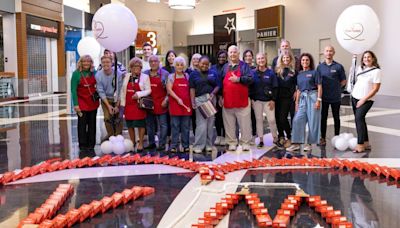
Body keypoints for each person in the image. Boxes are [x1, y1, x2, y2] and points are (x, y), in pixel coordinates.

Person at [219, 45, 253, 151]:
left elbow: (251, 79)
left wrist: (238, 79)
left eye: (235, 52)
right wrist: (220, 96)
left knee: (245, 123)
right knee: (229, 124)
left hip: (242, 100)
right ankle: (232, 142)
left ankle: (245, 142)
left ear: (238, 54)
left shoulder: (244, 66)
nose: (232, 54)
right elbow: (220, 83)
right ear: (228, 54)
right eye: (231, 52)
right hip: (228, 100)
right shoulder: (225, 67)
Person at [287, 53, 322, 152]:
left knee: (312, 122)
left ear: (310, 61)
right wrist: (297, 103)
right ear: (300, 62)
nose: (305, 62)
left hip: (313, 97)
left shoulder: (314, 72)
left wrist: (318, 100)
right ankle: (296, 144)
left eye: (307, 60)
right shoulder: (299, 74)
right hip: (302, 98)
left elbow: (319, 86)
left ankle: (309, 144)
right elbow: (298, 89)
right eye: (303, 60)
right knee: (297, 120)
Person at [347, 51, 381, 152]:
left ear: (373, 58)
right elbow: (353, 78)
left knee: (359, 119)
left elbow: (375, 89)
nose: (366, 59)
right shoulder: (360, 69)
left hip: (366, 99)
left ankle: (360, 144)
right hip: (354, 97)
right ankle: (366, 143)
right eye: (364, 57)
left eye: (369, 57)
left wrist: (363, 99)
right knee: (360, 120)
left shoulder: (376, 71)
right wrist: (354, 58)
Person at [316, 45, 346, 146]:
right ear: (324, 53)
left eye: (330, 51)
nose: (328, 53)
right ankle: (322, 138)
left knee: (336, 118)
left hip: (335, 98)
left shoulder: (338, 66)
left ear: (333, 53)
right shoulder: (320, 67)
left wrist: (337, 88)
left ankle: (337, 137)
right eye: (327, 51)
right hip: (324, 97)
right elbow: (317, 82)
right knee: (323, 118)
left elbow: (343, 81)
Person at [120, 57, 151, 152]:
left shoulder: (145, 77)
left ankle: (140, 143)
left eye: (138, 66)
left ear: (141, 67)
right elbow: (123, 90)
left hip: (138, 104)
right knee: (130, 125)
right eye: (134, 66)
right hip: (128, 104)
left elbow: (149, 90)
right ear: (131, 67)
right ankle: (132, 142)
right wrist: (122, 104)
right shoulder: (127, 76)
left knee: (140, 124)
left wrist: (138, 94)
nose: (136, 68)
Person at [70, 55, 99, 157]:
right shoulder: (76, 74)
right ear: (80, 63)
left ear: (91, 63)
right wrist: (76, 105)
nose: (86, 63)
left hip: (93, 102)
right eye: (84, 62)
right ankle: (82, 145)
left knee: (92, 124)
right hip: (81, 102)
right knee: (82, 125)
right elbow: (73, 90)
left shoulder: (94, 73)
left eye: (88, 62)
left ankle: (91, 145)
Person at [189, 56, 219, 153]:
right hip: (199, 100)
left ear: (209, 64)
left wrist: (213, 93)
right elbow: (192, 88)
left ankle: (209, 145)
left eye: (206, 64)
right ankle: (199, 146)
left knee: (210, 124)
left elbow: (218, 85)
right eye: (203, 63)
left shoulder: (213, 73)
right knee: (201, 124)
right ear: (198, 63)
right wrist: (192, 101)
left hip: (210, 100)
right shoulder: (193, 74)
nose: (204, 66)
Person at [249, 52, 279, 148]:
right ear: (256, 61)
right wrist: (251, 99)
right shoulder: (252, 73)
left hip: (268, 101)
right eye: (259, 59)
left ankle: (275, 138)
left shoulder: (271, 73)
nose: (261, 60)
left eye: (262, 58)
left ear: (265, 60)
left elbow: (275, 87)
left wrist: (273, 100)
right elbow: (250, 87)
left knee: (272, 120)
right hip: (256, 101)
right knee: (259, 120)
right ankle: (261, 139)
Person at [143, 55, 170, 151]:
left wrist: (166, 100)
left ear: (159, 62)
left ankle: (162, 144)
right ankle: (151, 143)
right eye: (151, 61)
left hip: (161, 102)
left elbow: (169, 90)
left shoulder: (165, 74)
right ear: (149, 63)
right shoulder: (145, 74)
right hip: (149, 103)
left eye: (155, 61)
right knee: (150, 125)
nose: (153, 63)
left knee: (163, 125)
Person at [167, 57, 192, 153]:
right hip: (175, 105)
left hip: (186, 106)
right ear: (174, 66)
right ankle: (174, 145)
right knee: (175, 126)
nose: (179, 66)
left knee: (185, 127)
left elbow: (190, 89)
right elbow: (169, 90)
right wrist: (177, 99)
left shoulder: (187, 76)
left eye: (181, 65)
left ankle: (185, 145)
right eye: (177, 65)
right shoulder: (171, 77)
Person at [96, 55, 124, 140]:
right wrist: (108, 106)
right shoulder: (98, 75)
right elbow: (100, 91)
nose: (105, 64)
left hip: (117, 99)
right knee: (107, 117)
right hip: (106, 99)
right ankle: (111, 135)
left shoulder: (118, 74)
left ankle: (118, 135)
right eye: (103, 62)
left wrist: (117, 106)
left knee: (119, 117)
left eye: (107, 62)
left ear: (112, 63)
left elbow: (120, 90)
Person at [275, 50, 297, 148]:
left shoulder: (294, 71)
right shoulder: (277, 70)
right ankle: (283, 136)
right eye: (284, 58)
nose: (286, 59)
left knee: (287, 118)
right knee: (280, 119)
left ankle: (290, 137)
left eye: (287, 58)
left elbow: (298, 83)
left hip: (290, 98)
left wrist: (297, 91)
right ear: (281, 59)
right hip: (279, 98)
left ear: (291, 59)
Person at [211, 50, 228, 146]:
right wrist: (218, 95)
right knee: (217, 117)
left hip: (227, 95)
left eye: (223, 57)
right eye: (220, 57)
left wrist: (223, 96)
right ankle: (218, 136)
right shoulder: (213, 68)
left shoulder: (228, 67)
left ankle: (225, 136)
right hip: (216, 95)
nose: (221, 58)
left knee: (226, 117)